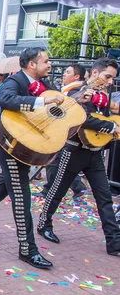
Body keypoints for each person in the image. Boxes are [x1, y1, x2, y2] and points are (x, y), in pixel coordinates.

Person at [0, 47, 61, 269]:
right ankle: (27, 249)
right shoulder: (16, 81)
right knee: (21, 194)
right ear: (32, 64)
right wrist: (41, 103)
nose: (49, 65)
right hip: (9, 144)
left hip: (27, 144)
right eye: (46, 61)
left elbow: (59, 103)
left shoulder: (47, 85)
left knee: (6, 183)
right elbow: (5, 99)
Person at [37, 58, 120, 256]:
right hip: (73, 150)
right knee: (57, 190)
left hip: (94, 153)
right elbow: (83, 119)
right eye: (107, 76)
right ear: (94, 74)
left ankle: (114, 241)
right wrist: (112, 127)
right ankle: (43, 224)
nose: (110, 82)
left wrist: (110, 124)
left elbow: (104, 117)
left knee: (104, 197)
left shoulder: (103, 97)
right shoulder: (78, 92)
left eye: (113, 78)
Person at [36, 63, 88, 199]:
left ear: (77, 76)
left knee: (53, 160)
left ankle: (51, 190)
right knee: (58, 162)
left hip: (64, 132)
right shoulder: (72, 89)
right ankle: (76, 187)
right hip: (65, 132)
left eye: (68, 72)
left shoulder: (75, 90)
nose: (64, 74)